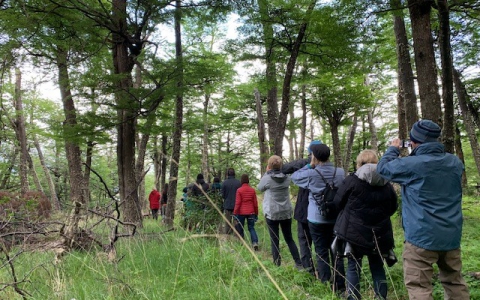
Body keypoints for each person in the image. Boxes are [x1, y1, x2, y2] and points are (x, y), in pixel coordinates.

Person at [377, 120, 470, 299]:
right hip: (451, 235)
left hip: (421, 237)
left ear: (413, 141)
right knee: (454, 282)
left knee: (419, 287)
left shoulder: (412, 164)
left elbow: (383, 169)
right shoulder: (455, 162)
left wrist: (393, 149)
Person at [333, 150, 398, 300]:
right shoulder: (386, 183)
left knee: (353, 266)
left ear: (359, 162)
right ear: (377, 162)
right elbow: (393, 207)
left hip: (354, 232)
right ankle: (381, 297)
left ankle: (353, 298)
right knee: (377, 266)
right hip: (380, 232)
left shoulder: (351, 180)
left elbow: (337, 202)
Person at [291, 144, 346, 293]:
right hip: (336, 218)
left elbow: (294, 177)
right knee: (337, 251)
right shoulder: (340, 172)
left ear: (314, 156)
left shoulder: (311, 173)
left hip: (316, 218)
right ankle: (340, 286)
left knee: (321, 250)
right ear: (329, 155)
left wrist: (310, 165)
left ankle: (325, 283)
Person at [281, 140, 322, 276]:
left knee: (304, 240)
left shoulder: (304, 164)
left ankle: (307, 269)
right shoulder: (327, 165)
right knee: (320, 242)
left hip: (305, 208)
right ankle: (324, 271)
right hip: (322, 209)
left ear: (310, 152)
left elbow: (285, 168)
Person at [257, 155, 302, 268]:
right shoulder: (287, 177)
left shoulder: (267, 178)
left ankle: (277, 265)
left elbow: (259, 188)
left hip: (272, 213)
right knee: (289, 238)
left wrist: (266, 173)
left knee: (274, 240)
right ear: (281, 165)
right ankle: (298, 263)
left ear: (269, 166)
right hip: (286, 211)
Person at [233, 174, 259, 250]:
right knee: (251, 228)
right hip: (251, 212)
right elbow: (255, 203)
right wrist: (256, 214)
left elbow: (238, 203)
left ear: (241, 181)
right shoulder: (252, 190)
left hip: (241, 212)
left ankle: (242, 243)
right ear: (248, 180)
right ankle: (255, 242)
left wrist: (235, 212)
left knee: (240, 227)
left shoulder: (239, 190)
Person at [221, 168, 241, 234]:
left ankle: (228, 235)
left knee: (227, 222)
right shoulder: (238, 183)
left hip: (227, 205)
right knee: (236, 221)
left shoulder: (224, 183)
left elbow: (222, 195)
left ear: (227, 174)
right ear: (234, 174)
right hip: (237, 205)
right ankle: (237, 235)